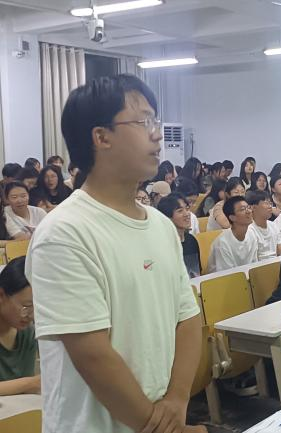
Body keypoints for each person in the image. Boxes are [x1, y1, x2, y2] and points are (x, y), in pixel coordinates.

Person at [27, 74, 205, 433]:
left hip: (160, 419)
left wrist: (177, 400)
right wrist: (159, 426)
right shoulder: (65, 232)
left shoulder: (160, 225)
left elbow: (187, 319)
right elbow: (92, 353)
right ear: (101, 137)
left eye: (155, 121)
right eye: (144, 122)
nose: (157, 134)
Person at [0, 257, 40, 396]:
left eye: (37, 308)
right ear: (1, 295)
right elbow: (29, 385)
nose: (31, 316)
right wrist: (31, 383)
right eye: (27, 306)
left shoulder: (27, 333)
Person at [207, 196, 258, 273]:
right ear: (232, 217)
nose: (248, 211)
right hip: (223, 278)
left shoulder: (252, 233)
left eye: (248, 207)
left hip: (246, 276)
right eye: (242, 209)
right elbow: (227, 274)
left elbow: (254, 264)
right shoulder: (223, 242)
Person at [157, 193, 201, 278]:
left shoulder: (191, 240)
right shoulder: (161, 246)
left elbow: (196, 274)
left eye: (187, 209)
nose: (187, 214)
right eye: (180, 211)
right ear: (167, 218)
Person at [247, 190, 281, 260]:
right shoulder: (249, 230)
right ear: (253, 207)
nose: (270, 206)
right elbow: (253, 260)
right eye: (266, 203)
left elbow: (280, 252)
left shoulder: (273, 225)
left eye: (270, 203)